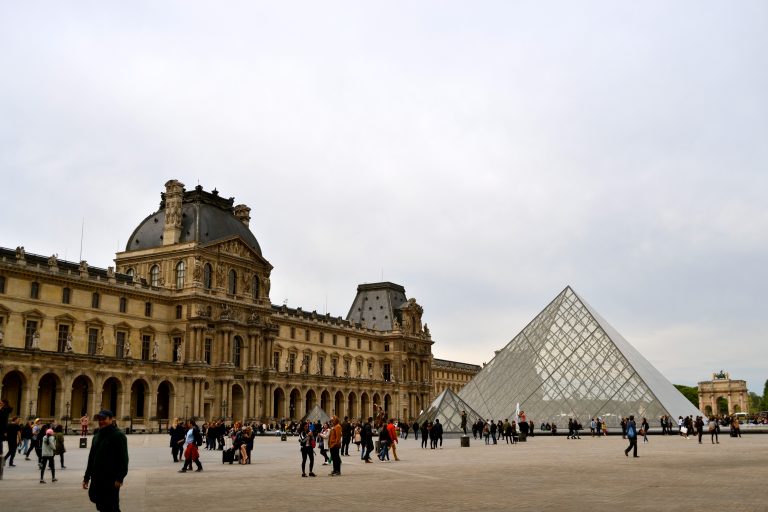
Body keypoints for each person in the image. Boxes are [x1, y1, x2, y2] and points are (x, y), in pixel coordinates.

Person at [83, 409, 129, 511]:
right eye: (99, 419)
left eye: (104, 419)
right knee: (100, 505)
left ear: (111, 419)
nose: (101, 421)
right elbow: (91, 458)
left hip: (111, 478)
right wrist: (86, 477)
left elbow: (124, 459)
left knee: (112, 506)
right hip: (97, 478)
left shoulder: (119, 436)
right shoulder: (97, 436)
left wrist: (120, 478)